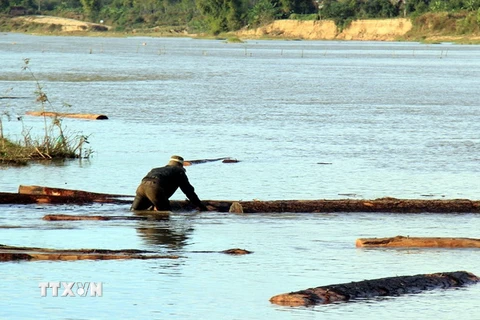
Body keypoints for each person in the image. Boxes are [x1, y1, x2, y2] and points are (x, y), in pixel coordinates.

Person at [130, 155, 208, 211]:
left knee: (135, 211)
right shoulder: (179, 172)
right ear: (181, 165)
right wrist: (201, 206)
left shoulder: (156, 169)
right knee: (165, 213)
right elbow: (188, 190)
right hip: (154, 188)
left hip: (141, 187)